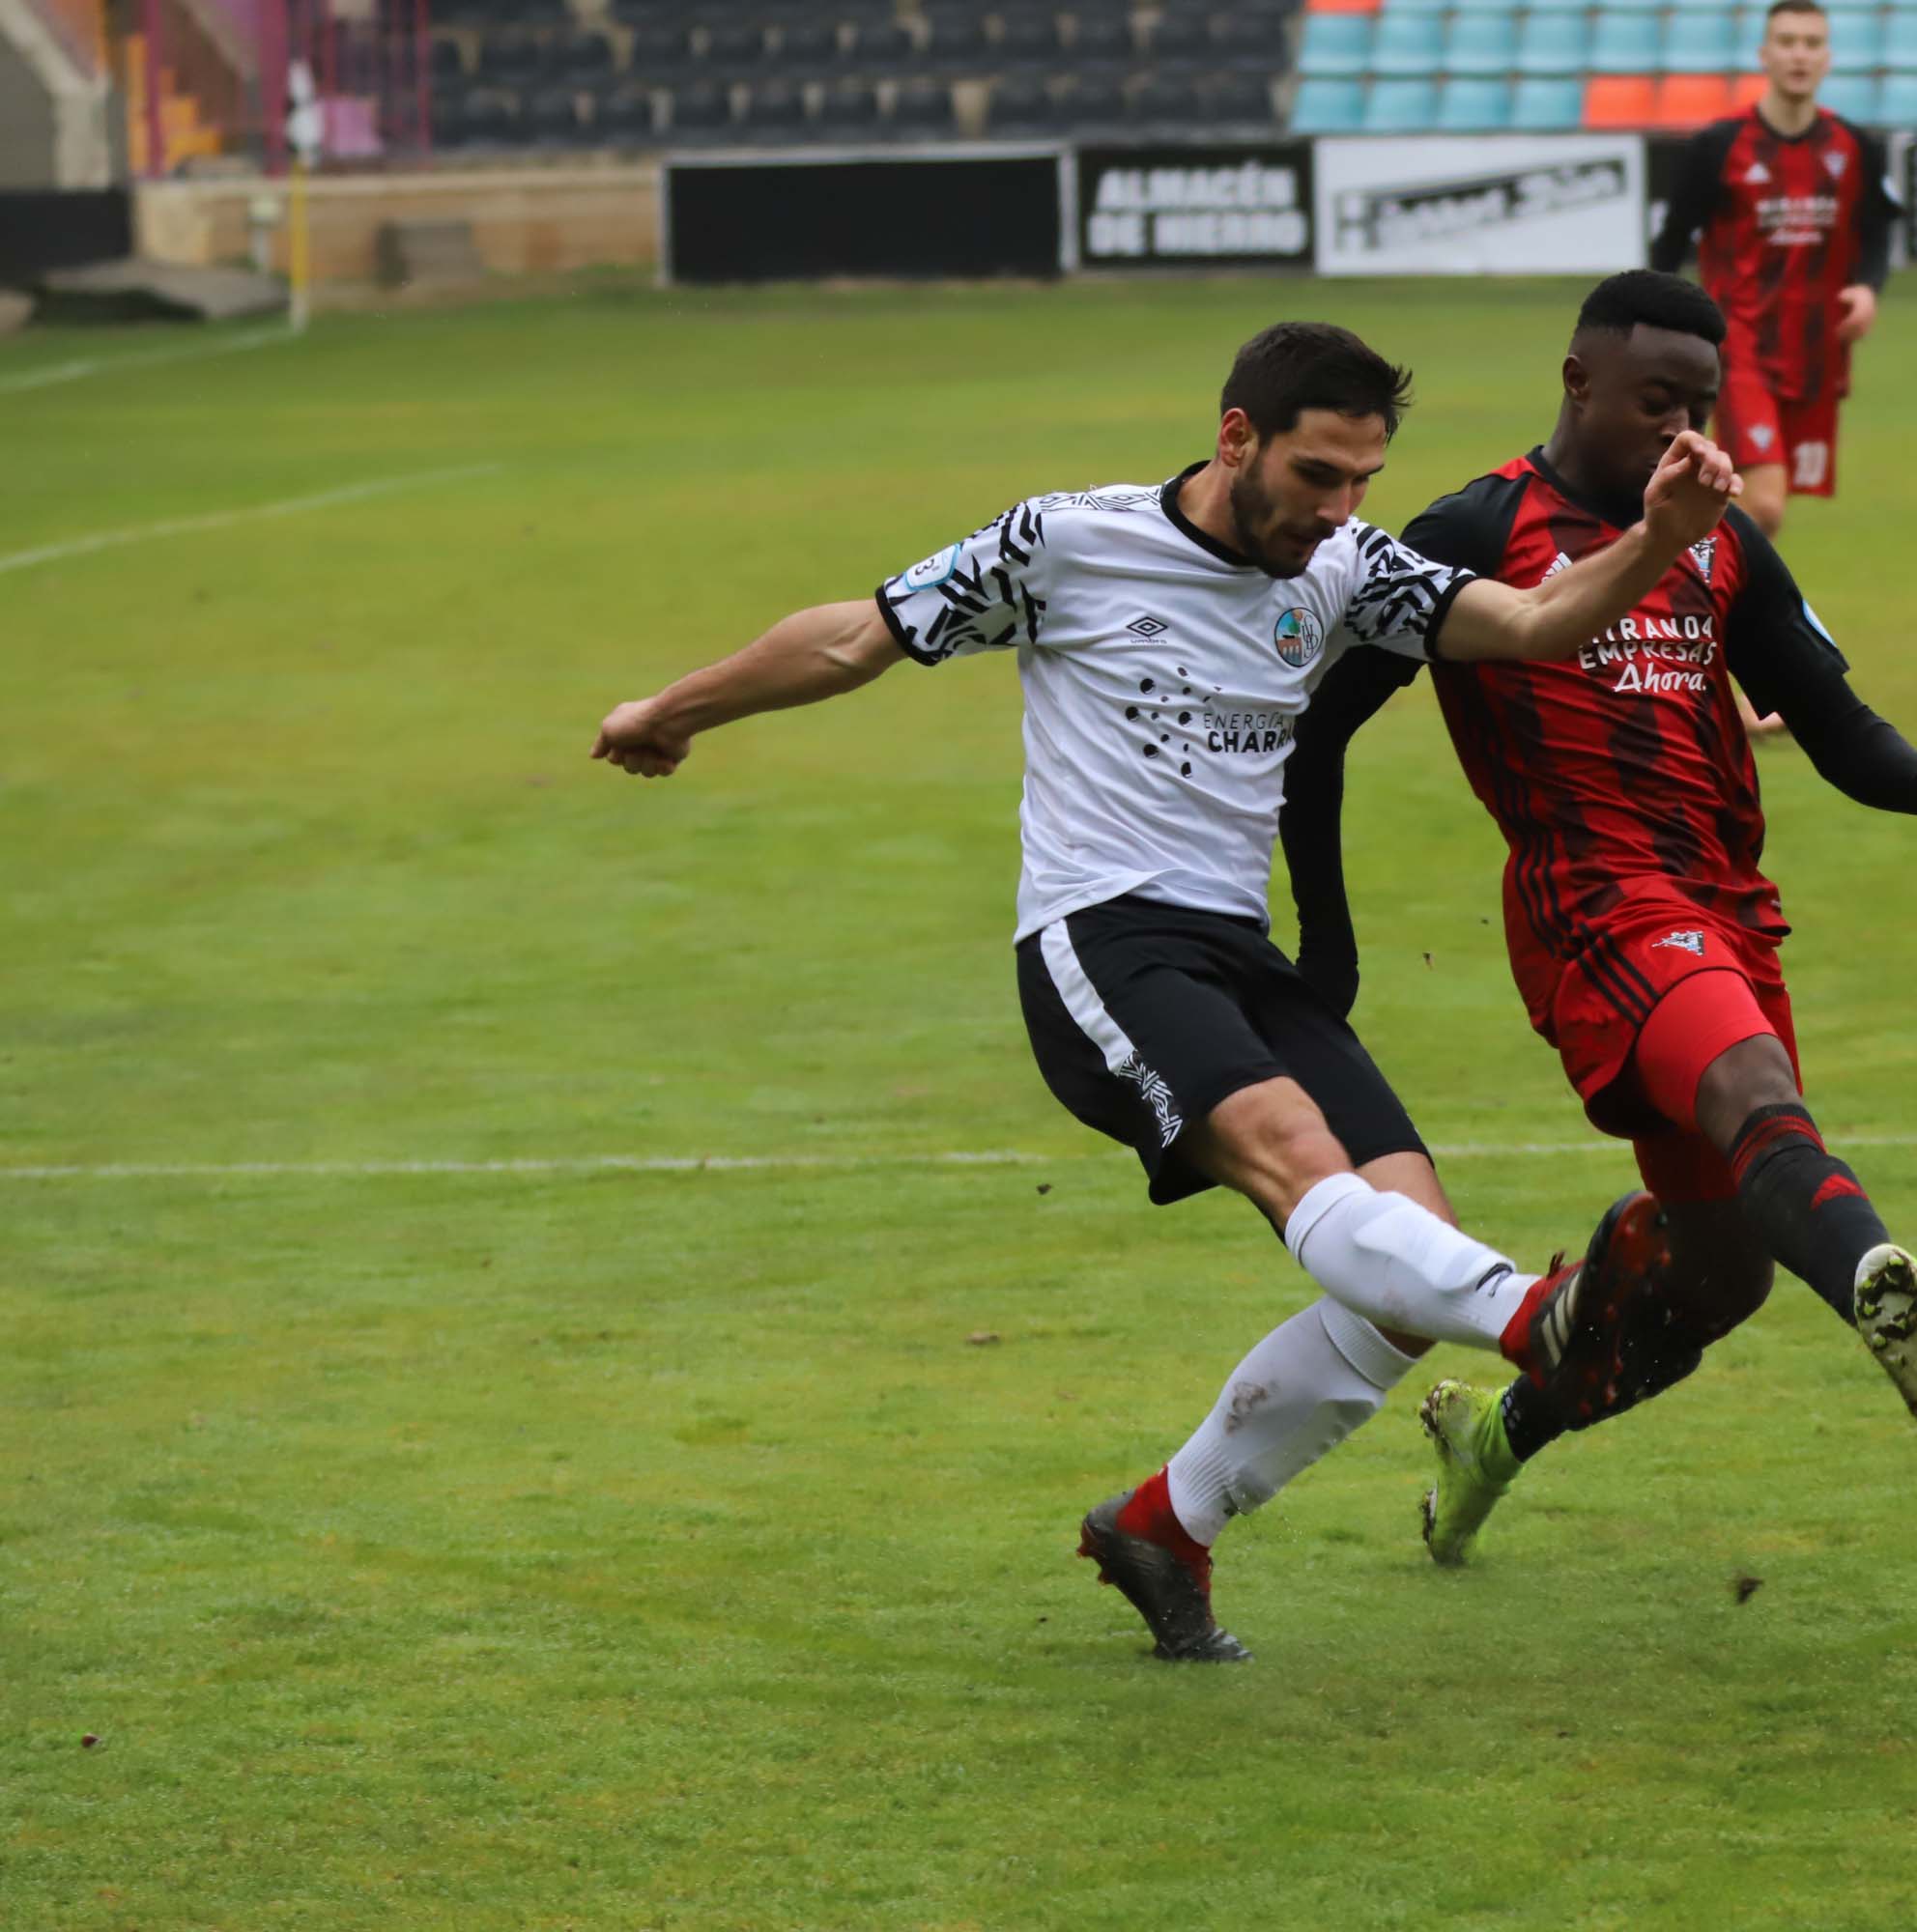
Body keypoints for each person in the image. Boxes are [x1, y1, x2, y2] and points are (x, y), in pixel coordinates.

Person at [589, 321, 1737, 1660]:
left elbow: (1535, 621)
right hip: (1103, 935)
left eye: (1363, 479)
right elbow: (856, 637)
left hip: (1238, 952)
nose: (1339, 508)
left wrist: (1656, 537)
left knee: (1401, 1267)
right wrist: (672, 709)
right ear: (1236, 437)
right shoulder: (1069, 541)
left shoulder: (1347, 566)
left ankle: (1164, 1524)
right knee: (1302, 1159)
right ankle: (1535, 1316)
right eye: (1317, 474)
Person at [1276, 273, 1917, 1568]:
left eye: (1700, 406)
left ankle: (1493, 1439)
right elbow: (1316, 730)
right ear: (1578, 381)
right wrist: (1326, 937)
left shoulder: (1719, 536)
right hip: (1593, 908)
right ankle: (1879, 1282)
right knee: (1754, 1088)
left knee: (1719, 1279)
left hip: (1726, 912)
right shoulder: (1476, 529)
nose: (1684, 430)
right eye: (1658, 400)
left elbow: (1826, 713)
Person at [1648, 0, 1899, 549]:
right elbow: (1671, 242)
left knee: (1758, 503)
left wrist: (1866, 288)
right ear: (1765, 54)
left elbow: (1877, 230)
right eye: (1787, 42)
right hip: (1738, 345)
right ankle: (1665, 571)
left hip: (1816, 351)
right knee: (1764, 502)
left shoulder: (1855, 145)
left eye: (1811, 43)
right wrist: (1660, 325)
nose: (1799, 55)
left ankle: (1688, 580)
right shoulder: (1719, 146)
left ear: (1827, 57)